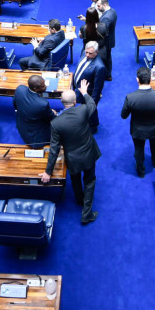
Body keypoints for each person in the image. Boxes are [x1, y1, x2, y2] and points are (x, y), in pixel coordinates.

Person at [41, 80, 100, 225]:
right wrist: (85, 92)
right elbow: (92, 104)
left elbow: (54, 149)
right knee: (90, 180)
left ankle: (79, 199)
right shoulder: (83, 110)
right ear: (75, 102)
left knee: (75, 179)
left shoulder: (56, 123)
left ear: (62, 102)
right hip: (88, 153)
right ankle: (86, 213)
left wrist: (48, 172)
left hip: (72, 157)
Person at [120, 67, 155, 177]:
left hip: (138, 130)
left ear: (137, 80)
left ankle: (140, 171)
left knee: (139, 150)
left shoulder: (130, 97)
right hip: (154, 128)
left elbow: (123, 116)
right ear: (150, 79)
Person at [72, 41, 107, 131]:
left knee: (90, 110)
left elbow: (98, 87)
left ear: (96, 52)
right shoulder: (84, 53)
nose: (87, 55)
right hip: (78, 88)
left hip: (88, 93)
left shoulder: (99, 67)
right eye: (86, 52)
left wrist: (93, 102)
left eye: (90, 53)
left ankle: (93, 126)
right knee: (84, 109)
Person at [14, 74, 55, 148]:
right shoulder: (43, 104)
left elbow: (15, 105)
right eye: (43, 86)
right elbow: (52, 118)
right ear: (35, 89)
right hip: (35, 138)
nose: (45, 86)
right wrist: (53, 113)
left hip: (22, 125)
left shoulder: (20, 89)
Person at [96, 0, 117, 80]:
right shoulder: (113, 11)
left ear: (104, 5)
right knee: (108, 57)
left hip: (105, 42)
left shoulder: (106, 18)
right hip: (110, 40)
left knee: (105, 59)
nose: (97, 8)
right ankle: (108, 75)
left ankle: (106, 75)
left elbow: (102, 32)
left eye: (99, 6)